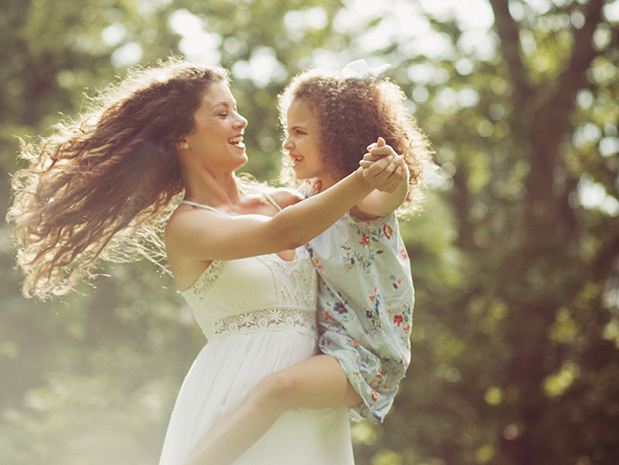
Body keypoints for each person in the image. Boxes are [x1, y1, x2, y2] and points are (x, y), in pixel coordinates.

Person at [7, 57, 402, 464]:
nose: (241, 121)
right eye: (222, 112)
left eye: (236, 109)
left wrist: (390, 178)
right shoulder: (188, 227)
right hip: (234, 406)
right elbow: (281, 235)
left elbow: (370, 215)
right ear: (182, 137)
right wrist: (363, 177)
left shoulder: (289, 201)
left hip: (307, 405)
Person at [181, 61, 434, 465]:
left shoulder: (357, 199)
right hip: (330, 348)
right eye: (287, 132)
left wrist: (389, 175)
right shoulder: (304, 200)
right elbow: (285, 230)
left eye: (299, 133)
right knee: (273, 394)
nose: (287, 144)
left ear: (336, 139)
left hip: (365, 353)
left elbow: (385, 199)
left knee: (274, 391)